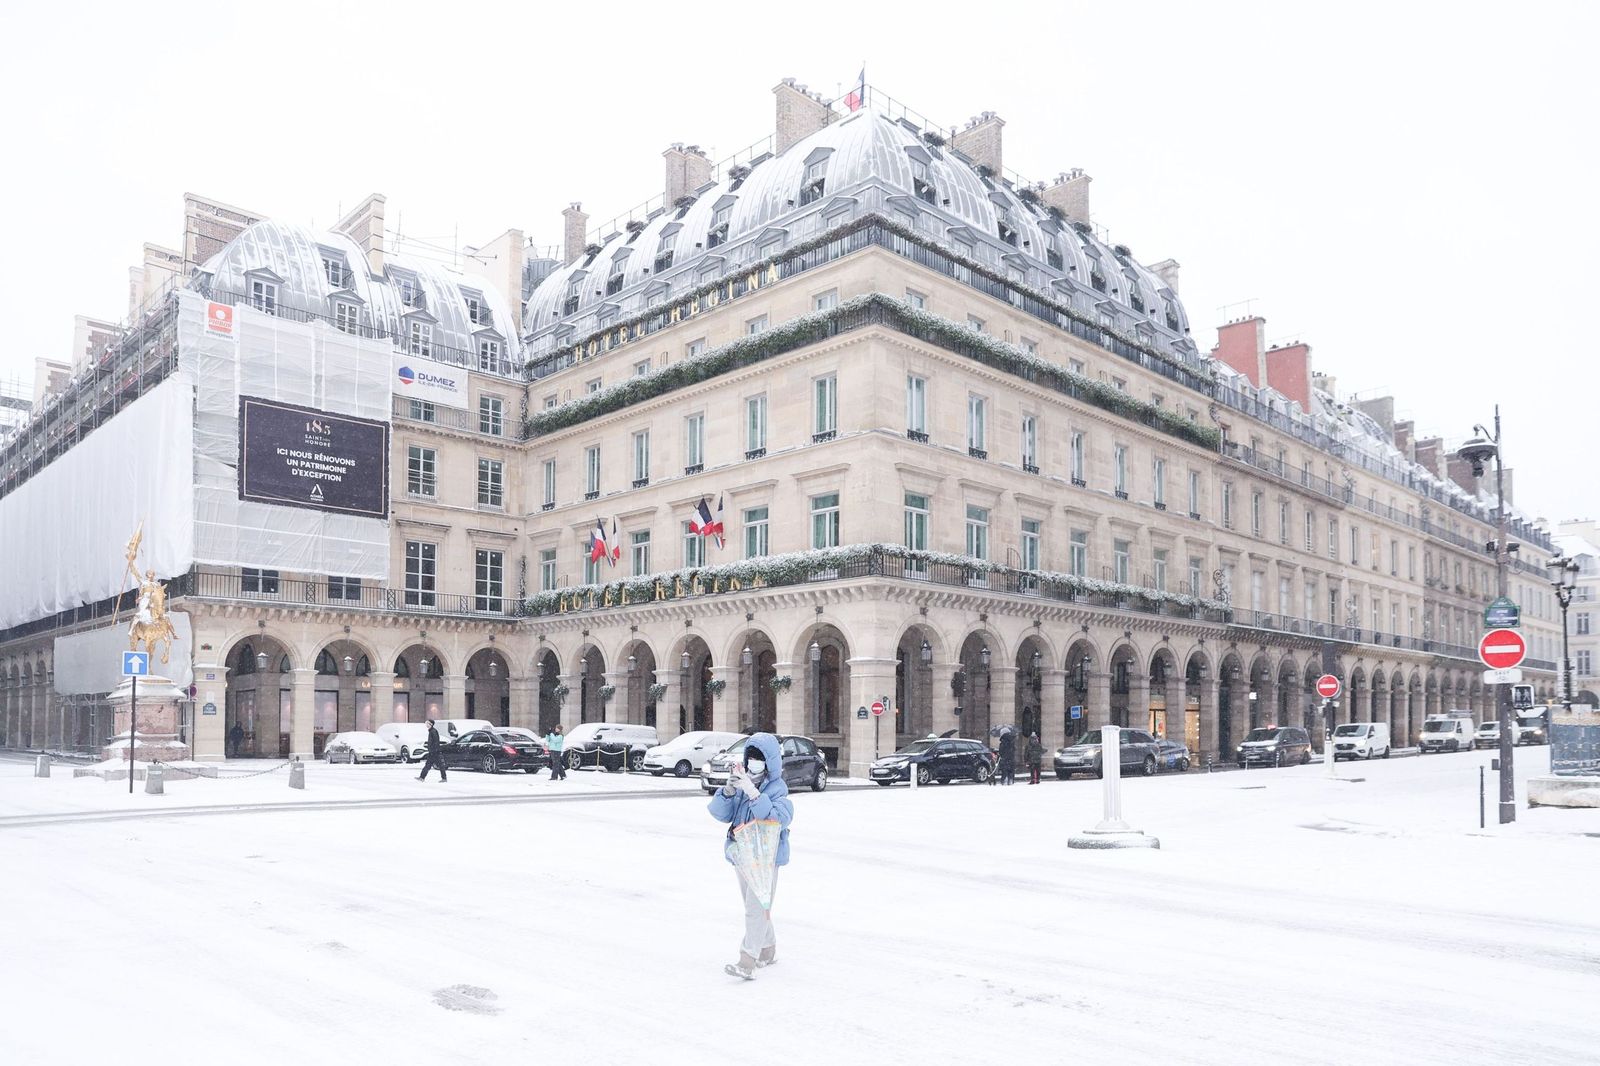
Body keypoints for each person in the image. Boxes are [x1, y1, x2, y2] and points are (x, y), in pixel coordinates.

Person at [708, 734, 793, 980]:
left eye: (760, 759)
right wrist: (728, 790)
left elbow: (776, 818)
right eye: (751, 757)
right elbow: (720, 814)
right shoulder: (742, 783)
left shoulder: (777, 788)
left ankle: (748, 960)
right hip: (740, 852)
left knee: (755, 909)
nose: (754, 763)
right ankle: (768, 949)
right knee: (756, 905)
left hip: (765, 856)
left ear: (770, 762)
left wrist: (753, 792)